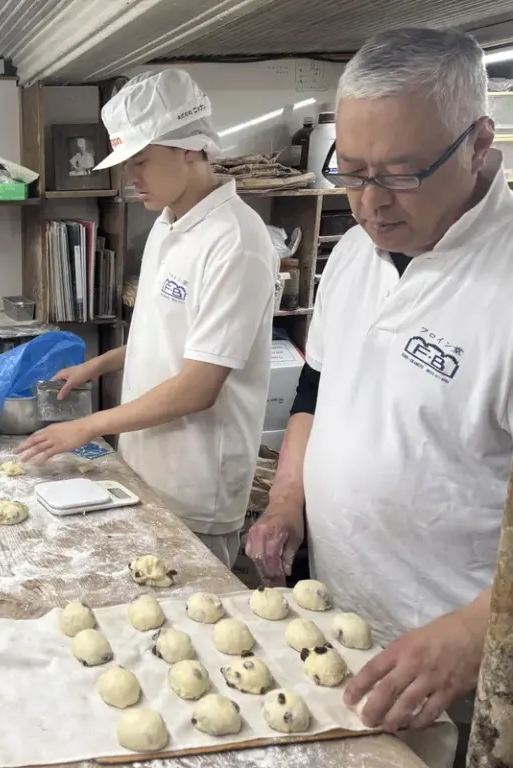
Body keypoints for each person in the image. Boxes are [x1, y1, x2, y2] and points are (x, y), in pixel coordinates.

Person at [244, 27, 507, 749]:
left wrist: (473, 633)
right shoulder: (356, 256)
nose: (368, 203)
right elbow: (316, 390)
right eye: (352, 170)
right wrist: (288, 498)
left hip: (452, 665)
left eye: (399, 173)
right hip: (340, 621)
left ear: (479, 143)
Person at [16, 69, 278, 568]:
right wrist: (96, 366)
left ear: (190, 148)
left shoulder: (235, 242)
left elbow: (199, 387)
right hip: (146, 466)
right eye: (126, 163)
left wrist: (88, 427)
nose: (130, 177)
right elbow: (164, 337)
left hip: (197, 483)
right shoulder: (167, 223)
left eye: (141, 160)